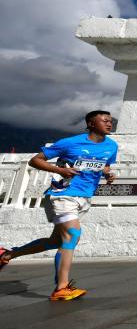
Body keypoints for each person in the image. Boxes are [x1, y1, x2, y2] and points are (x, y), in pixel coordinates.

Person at [0, 111, 117, 301]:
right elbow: (35, 160)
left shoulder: (111, 146)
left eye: (110, 121)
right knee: (72, 235)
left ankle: (6, 255)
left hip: (85, 197)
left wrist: (108, 174)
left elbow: (104, 165)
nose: (109, 123)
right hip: (62, 195)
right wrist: (60, 170)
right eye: (104, 121)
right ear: (91, 124)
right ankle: (61, 288)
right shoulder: (70, 143)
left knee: (55, 241)